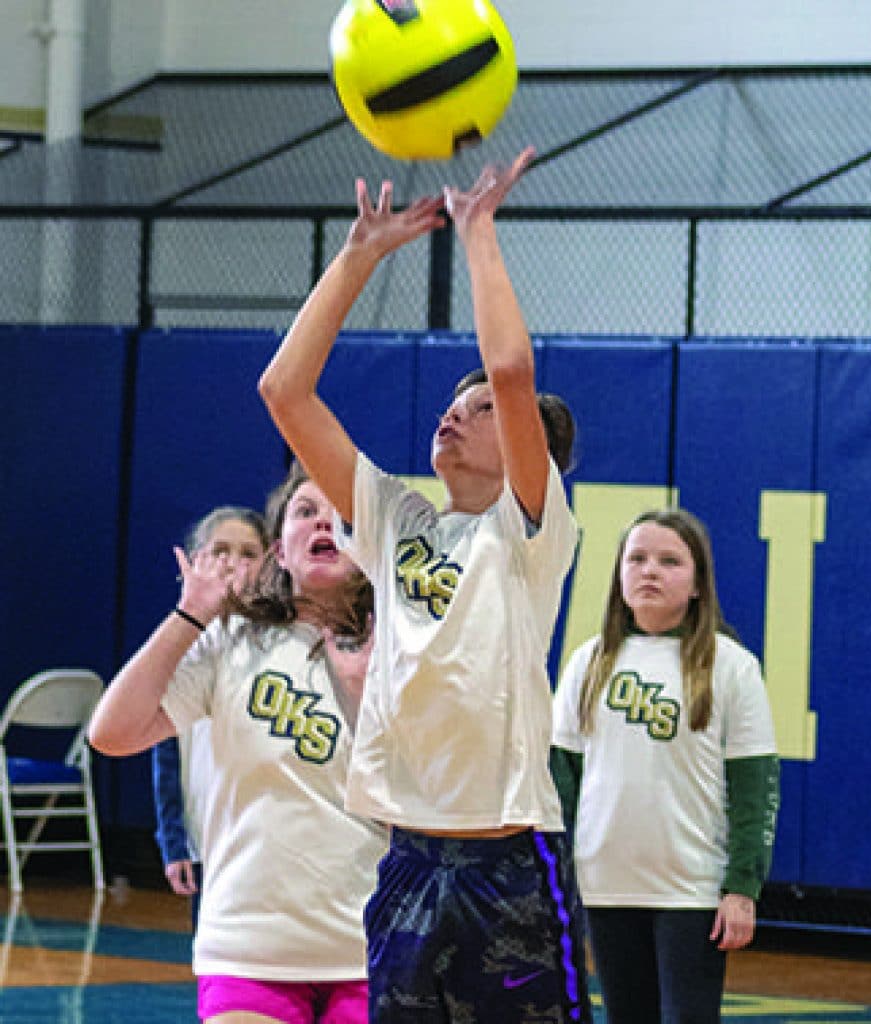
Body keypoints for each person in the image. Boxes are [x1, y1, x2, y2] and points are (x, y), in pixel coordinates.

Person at [258, 147, 593, 1024]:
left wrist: (476, 231)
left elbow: (515, 371)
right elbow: (285, 391)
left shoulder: (529, 530)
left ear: (537, 458)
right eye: (456, 401)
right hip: (405, 862)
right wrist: (357, 256)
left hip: (508, 866)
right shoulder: (398, 519)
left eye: (481, 410)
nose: (459, 411)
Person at [89, 462, 386, 1024]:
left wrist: (360, 692)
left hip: (370, 950)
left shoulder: (400, 648)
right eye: (305, 511)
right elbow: (113, 733)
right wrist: (191, 614)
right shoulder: (231, 641)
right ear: (280, 550)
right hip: (246, 948)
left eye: (341, 513)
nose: (324, 521)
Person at [551, 508, 781, 1024]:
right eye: (637, 559)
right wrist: (556, 878)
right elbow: (558, 784)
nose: (650, 571)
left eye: (669, 561)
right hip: (605, 884)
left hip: (690, 888)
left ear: (699, 583)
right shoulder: (587, 663)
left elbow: (755, 790)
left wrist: (742, 889)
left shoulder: (732, 666)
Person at [152, 505, 269, 932]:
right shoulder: (181, 647)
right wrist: (172, 839)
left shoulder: (279, 644)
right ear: (193, 561)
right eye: (220, 550)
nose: (232, 562)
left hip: (265, 839)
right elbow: (164, 754)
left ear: (273, 563)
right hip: (208, 838)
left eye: (248, 553)